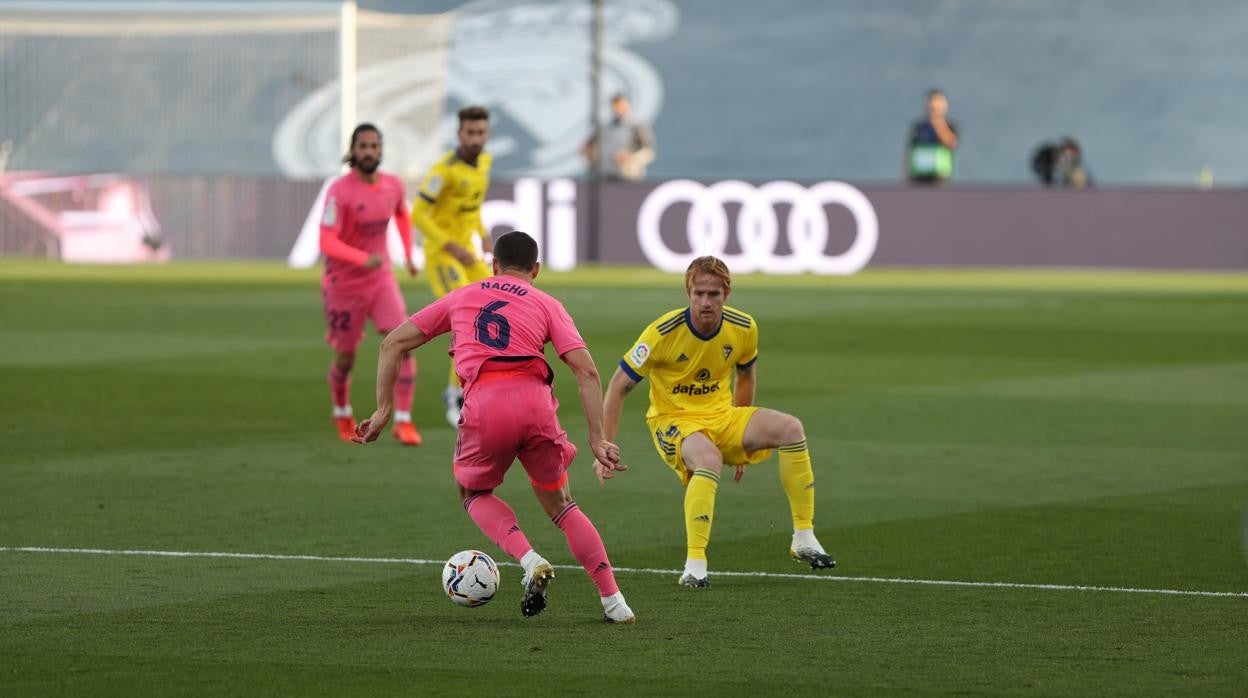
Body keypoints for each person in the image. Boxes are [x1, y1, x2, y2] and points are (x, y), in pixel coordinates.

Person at [354, 230, 636, 624]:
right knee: (562, 505)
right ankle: (614, 603)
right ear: (536, 269)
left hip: (485, 402)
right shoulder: (547, 303)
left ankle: (530, 558)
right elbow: (586, 371)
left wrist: (384, 411)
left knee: (472, 491)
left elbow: (392, 344)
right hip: (536, 403)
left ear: (492, 265)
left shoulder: (463, 295)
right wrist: (597, 439)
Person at [602, 256, 836, 588]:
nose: (705, 302)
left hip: (722, 417)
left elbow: (745, 377)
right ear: (688, 292)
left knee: (792, 429)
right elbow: (617, 387)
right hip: (674, 420)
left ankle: (804, 536)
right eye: (698, 293)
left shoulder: (743, 327)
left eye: (713, 294)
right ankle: (695, 564)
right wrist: (605, 446)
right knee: (709, 458)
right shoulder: (661, 333)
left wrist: (740, 442)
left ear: (726, 292)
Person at [319, 123, 422, 446]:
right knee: (346, 356)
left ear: (381, 150)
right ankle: (341, 411)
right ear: (353, 150)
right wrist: (363, 258)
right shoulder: (339, 191)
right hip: (344, 284)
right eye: (362, 146)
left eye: (374, 146)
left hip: (381, 280)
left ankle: (403, 420)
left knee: (403, 343)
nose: (368, 152)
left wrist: (407, 253)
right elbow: (326, 240)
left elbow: (403, 215)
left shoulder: (392, 185)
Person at [411, 105, 496, 428]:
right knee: (468, 316)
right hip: (443, 255)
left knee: (496, 304)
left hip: (469, 254)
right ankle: (454, 392)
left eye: (481, 133)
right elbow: (417, 214)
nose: (476, 139)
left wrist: (484, 236)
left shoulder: (485, 162)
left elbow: (472, 208)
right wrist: (449, 246)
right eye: (470, 133)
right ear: (459, 134)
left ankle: (476, 385)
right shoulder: (443, 170)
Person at [582, 93, 656, 182]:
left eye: (621, 105)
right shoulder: (605, 127)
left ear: (628, 106)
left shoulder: (636, 126)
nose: (619, 108)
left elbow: (649, 152)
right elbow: (590, 147)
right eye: (616, 105)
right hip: (605, 176)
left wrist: (630, 158)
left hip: (628, 177)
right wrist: (592, 161)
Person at [905, 88, 959, 185]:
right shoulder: (920, 127)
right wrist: (906, 175)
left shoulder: (950, 125)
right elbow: (910, 151)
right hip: (919, 177)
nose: (934, 106)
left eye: (938, 102)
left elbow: (950, 143)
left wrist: (937, 121)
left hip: (940, 178)